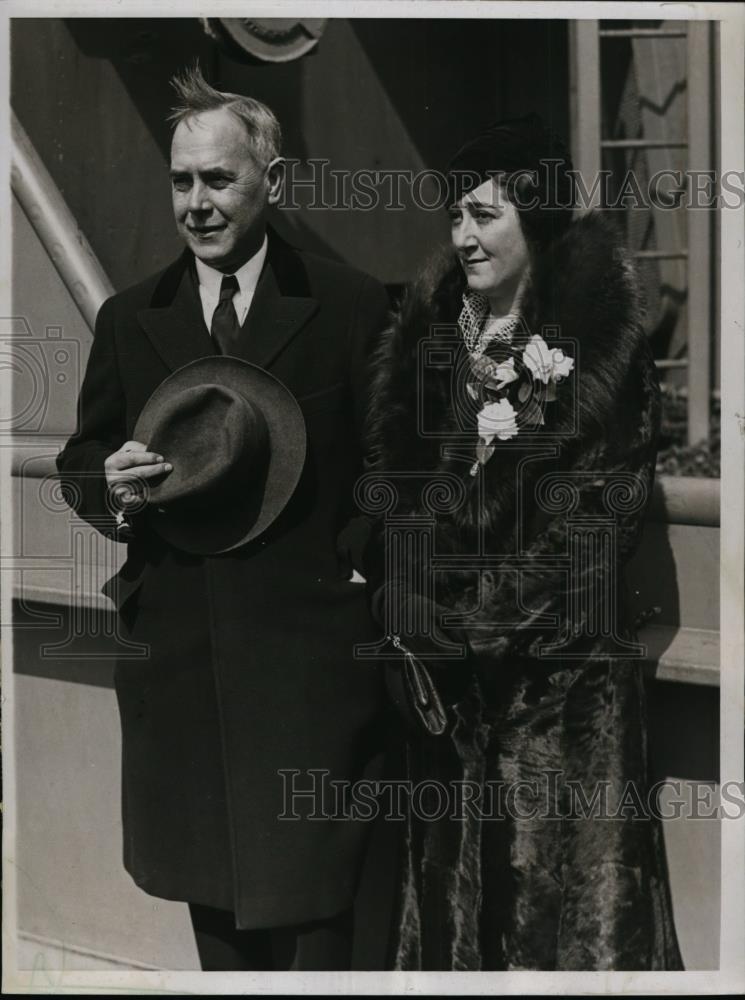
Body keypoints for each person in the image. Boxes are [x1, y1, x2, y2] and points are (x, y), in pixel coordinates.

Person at [56, 67, 391, 972]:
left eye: (218, 180)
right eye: (180, 182)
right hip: (185, 669)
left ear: (270, 185)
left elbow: (391, 469)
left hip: (307, 676)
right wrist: (113, 485)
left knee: (323, 917)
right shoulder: (132, 319)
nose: (196, 205)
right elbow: (82, 464)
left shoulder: (351, 306)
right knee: (218, 915)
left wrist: (350, 572)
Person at [362, 114, 683, 970]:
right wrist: (405, 598)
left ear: (532, 220)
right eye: (454, 219)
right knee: (454, 926)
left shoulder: (600, 352)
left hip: (560, 703)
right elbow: (400, 490)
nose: (462, 237)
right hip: (451, 709)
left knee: (558, 927)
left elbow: (592, 531)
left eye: (483, 215)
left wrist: (464, 621)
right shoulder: (433, 341)